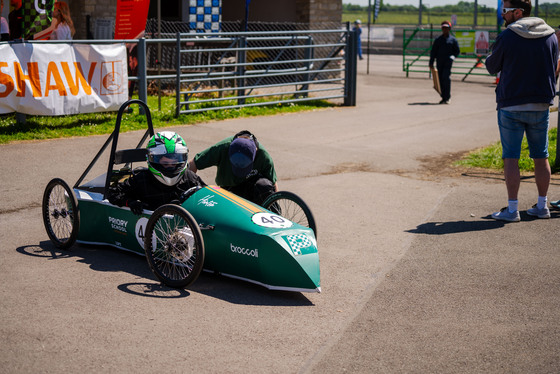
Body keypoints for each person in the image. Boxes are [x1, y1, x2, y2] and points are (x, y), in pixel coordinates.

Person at [485, 0, 558, 222]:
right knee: (541, 155)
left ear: (518, 13)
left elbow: (491, 67)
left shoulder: (507, 36)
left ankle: (512, 209)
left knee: (511, 158)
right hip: (541, 104)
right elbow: (554, 66)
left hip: (511, 104)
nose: (503, 15)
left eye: (505, 11)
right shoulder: (550, 35)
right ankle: (543, 206)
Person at [107, 131, 206, 214]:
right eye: (165, 163)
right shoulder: (142, 179)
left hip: (186, 227)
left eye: (174, 162)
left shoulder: (189, 177)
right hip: (150, 229)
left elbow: (209, 195)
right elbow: (112, 192)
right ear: (152, 159)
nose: (170, 166)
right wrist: (130, 202)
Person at [188, 130, 277, 206]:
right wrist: (189, 195)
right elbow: (194, 163)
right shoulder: (222, 148)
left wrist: (275, 208)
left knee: (264, 186)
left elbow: (273, 185)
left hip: (252, 189)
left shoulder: (263, 156)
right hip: (229, 189)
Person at [429, 21, 460, 104]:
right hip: (439, 62)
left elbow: (457, 51)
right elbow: (433, 52)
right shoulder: (438, 40)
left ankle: (447, 97)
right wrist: (431, 63)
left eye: (446, 28)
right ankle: (443, 97)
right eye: (443, 28)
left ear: (449, 29)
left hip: (448, 63)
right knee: (440, 80)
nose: (445, 29)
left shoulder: (453, 40)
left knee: (446, 78)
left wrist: (453, 57)